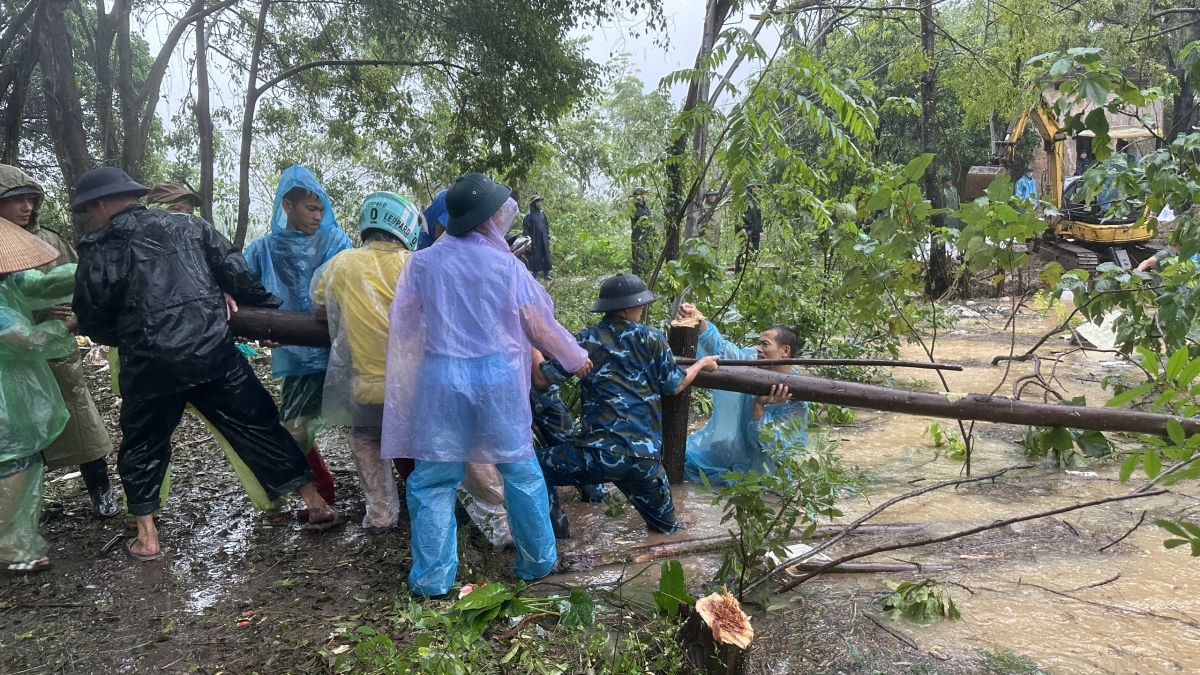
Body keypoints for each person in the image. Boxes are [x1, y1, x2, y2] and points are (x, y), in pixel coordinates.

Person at [71, 166, 340, 561]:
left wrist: (132, 336)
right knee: (259, 424)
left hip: (148, 366)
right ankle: (316, 503)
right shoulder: (189, 227)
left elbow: (92, 318)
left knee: (143, 445)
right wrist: (264, 312)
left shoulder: (96, 247)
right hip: (212, 353)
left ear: (99, 204)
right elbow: (237, 272)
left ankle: (148, 538)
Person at [381, 172, 591, 597]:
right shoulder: (506, 265)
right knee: (519, 470)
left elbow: (403, 324)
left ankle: (432, 580)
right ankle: (536, 564)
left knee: (434, 478)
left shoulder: (421, 263)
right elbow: (540, 326)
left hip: (441, 379)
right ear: (488, 220)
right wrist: (576, 358)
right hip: (497, 380)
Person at [537, 274, 719, 537]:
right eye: (640, 304)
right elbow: (675, 386)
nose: (642, 308)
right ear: (627, 307)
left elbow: (543, 378)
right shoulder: (652, 338)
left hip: (598, 457)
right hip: (643, 461)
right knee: (667, 532)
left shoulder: (585, 340)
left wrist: (530, 341)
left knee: (533, 468)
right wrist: (701, 364)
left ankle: (558, 537)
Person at [0, 164, 116, 518]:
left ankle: (101, 489)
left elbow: (75, 282)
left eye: (30, 199)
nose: (26, 208)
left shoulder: (48, 240)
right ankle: (27, 511)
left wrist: (71, 315)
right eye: (16, 200)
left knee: (81, 421)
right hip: (13, 354)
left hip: (56, 346)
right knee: (17, 430)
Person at [311, 192, 421, 533]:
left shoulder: (341, 263)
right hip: (417, 387)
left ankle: (382, 515)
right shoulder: (415, 264)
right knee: (432, 445)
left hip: (366, 388)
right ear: (406, 227)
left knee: (366, 439)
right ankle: (444, 509)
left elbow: (318, 308)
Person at [244, 166, 350, 514]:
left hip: (343, 351)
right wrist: (257, 325)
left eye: (321, 209)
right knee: (294, 427)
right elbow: (243, 288)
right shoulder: (263, 250)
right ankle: (322, 488)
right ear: (287, 206)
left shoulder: (336, 243)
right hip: (296, 356)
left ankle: (408, 486)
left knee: (372, 420)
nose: (317, 216)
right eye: (310, 208)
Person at [0, 217, 80, 572]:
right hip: (5, 398)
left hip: (13, 390)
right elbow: (30, 340)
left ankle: (15, 544)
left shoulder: (6, 283)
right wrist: (71, 323)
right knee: (12, 465)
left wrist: (91, 268)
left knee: (20, 463)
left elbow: (44, 284)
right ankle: (11, 550)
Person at [675, 303, 809, 485]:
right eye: (758, 343)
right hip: (731, 453)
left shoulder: (796, 400)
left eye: (765, 344)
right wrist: (699, 320)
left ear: (785, 351)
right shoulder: (749, 363)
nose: (758, 349)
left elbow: (778, 447)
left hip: (763, 472)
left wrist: (759, 408)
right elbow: (722, 350)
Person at [523, 195, 552, 280]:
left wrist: (548, 238)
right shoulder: (528, 216)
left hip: (543, 238)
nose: (539, 203)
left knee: (545, 255)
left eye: (540, 201)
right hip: (534, 239)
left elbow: (546, 226)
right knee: (535, 257)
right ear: (533, 203)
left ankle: (546, 274)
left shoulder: (542, 214)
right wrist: (528, 241)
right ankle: (535, 275)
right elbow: (526, 229)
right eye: (537, 202)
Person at [735, 183, 762, 272]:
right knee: (743, 252)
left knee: (754, 252)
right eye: (755, 187)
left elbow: (758, 217)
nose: (757, 189)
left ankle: (750, 273)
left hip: (755, 230)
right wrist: (742, 228)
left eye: (758, 187)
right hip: (745, 230)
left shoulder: (757, 201)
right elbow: (738, 215)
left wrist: (760, 230)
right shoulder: (743, 200)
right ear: (750, 188)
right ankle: (738, 273)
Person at [631, 188, 652, 277]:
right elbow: (640, 216)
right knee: (639, 261)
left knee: (649, 259)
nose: (646, 196)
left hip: (647, 237)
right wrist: (639, 201)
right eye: (644, 194)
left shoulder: (646, 207)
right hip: (638, 237)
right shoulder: (634, 208)